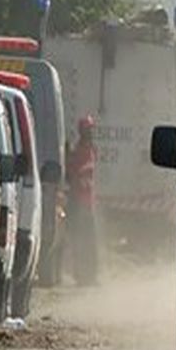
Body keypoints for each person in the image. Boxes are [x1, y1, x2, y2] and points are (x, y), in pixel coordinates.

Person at [66, 116, 99, 285]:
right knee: (81, 240)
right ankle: (81, 275)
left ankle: (91, 276)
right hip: (79, 203)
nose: (91, 133)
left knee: (91, 241)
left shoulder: (90, 149)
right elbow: (73, 175)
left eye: (92, 129)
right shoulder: (78, 151)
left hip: (88, 203)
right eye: (88, 130)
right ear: (82, 132)